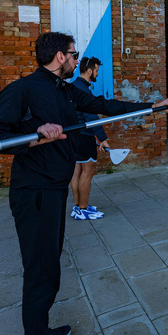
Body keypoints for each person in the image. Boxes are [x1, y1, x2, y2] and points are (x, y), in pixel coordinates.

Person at [0, 32, 168, 335]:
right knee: (40, 271)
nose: (76, 59)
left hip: (55, 189)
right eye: (74, 55)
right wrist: (35, 133)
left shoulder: (67, 92)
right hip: (34, 192)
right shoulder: (21, 90)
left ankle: (39, 333)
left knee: (49, 268)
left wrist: (152, 106)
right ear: (60, 57)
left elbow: (105, 105)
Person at [69, 56, 109, 221]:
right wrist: (102, 139)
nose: (97, 74)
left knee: (76, 171)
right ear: (90, 70)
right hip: (84, 137)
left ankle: (78, 207)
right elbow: (90, 116)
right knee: (88, 171)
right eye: (97, 70)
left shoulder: (73, 86)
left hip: (74, 137)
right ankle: (83, 209)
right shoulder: (83, 90)